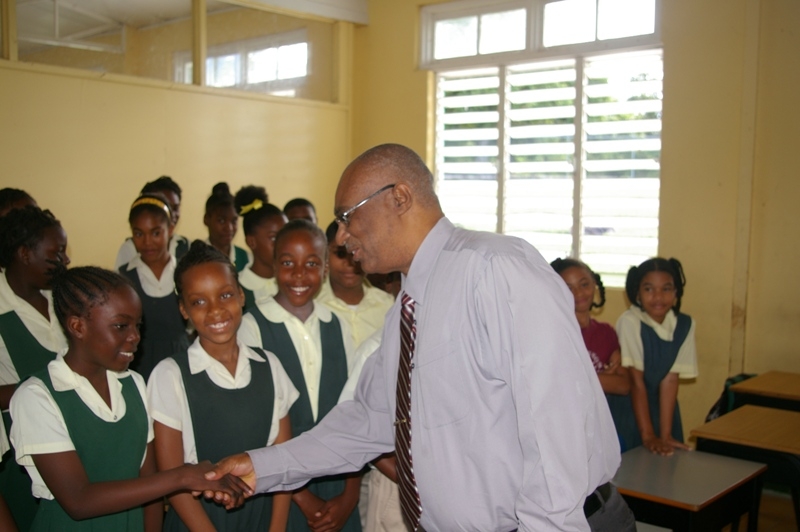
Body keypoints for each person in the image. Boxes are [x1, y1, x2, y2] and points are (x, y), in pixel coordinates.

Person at [207, 144, 632, 532]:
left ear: (400, 197)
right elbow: (368, 422)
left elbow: (555, 426)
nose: (340, 237)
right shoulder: (407, 309)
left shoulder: (495, 269)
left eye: (346, 216)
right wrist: (260, 467)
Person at [9, 266, 249, 531]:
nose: (135, 336)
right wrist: (182, 476)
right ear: (78, 326)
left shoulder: (132, 385)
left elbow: (150, 489)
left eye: (138, 325)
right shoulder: (38, 396)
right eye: (121, 326)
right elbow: (78, 500)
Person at [147, 241, 297, 531]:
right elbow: (172, 476)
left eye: (225, 294)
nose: (215, 310)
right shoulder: (170, 375)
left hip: (262, 519)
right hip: (197, 522)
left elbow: (283, 463)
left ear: (241, 296)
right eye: (199, 301)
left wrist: (276, 529)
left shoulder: (270, 366)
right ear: (184, 310)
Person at [238, 220, 361, 532]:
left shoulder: (337, 325)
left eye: (311, 264)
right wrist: (304, 499)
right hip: (282, 487)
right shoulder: (252, 327)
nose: (298, 275)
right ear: (274, 263)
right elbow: (257, 426)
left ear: (324, 269)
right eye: (288, 263)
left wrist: (350, 495)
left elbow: (353, 415)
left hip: (337, 480)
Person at [0, 205, 69, 530]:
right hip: (19, 450)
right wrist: (53, 386)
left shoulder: (61, 299)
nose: (65, 261)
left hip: (72, 437)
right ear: (25, 253)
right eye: (56, 253)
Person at [551, 258, 636, 451]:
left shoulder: (606, 333)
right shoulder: (553, 333)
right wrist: (605, 377)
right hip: (564, 427)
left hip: (598, 424)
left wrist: (579, 377)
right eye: (568, 288)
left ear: (594, 284)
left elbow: (623, 385)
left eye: (584, 284)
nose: (579, 293)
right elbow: (561, 384)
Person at [616, 257, 698, 456]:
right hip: (630, 411)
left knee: (666, 470)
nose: (658, 297)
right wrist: (648, 436)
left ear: (676, 292)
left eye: (666, 289)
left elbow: (670, 380)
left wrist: (665, 434)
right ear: (637, 293)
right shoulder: (630, 322)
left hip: (664, 412)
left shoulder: (685, 324)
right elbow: (636, 382)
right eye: (649, 289)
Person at [119, 194, 190, 381]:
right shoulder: (123, 277)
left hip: (182, 362)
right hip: (140, 367)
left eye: (156, 233)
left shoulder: (185, 273)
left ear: (171, 229)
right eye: (139, 234)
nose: (148, 242)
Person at [317, 220, 395, 349]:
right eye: (340, 254)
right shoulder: (314, 305)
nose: (350, 263)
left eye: (356, 252)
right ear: (326, 254)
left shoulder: (388, 306)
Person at [115, 176, 190, 270]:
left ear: (170, 229)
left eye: (175, 208)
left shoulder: (186, 245)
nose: (172, 214)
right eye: (163, 205)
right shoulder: (130, 248)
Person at [234, 186, 287, 311]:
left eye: (285, 236)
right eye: (274, 238)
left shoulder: (292, 281)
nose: (283, 244)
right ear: (251, 242)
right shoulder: (237, 288)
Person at [205, 183, 250, 272]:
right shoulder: (195, 257)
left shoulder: (246, 258)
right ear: (206, 219)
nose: (229, 228)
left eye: (234, 221)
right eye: (221, 221)